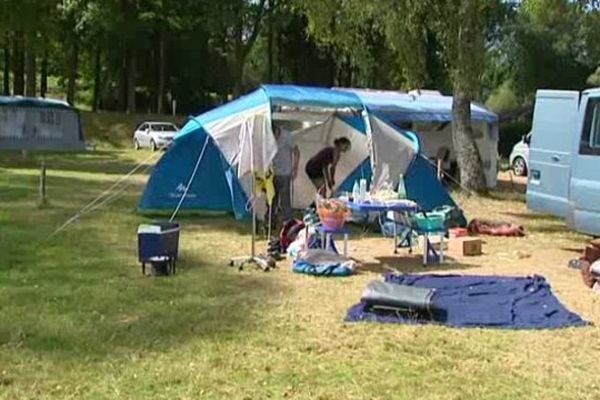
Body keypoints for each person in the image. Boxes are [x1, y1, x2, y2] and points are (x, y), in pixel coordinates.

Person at [270, 124, 300, 224]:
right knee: (271, 198)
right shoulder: (268, 136)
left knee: (285, 199)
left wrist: (295, 168)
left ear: (278, 131)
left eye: (276, 136)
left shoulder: (287, 136)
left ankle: (287, 221)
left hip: (285, 172)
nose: (275, 138)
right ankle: (271, 219)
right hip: (272, 172)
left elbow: (296, 151)